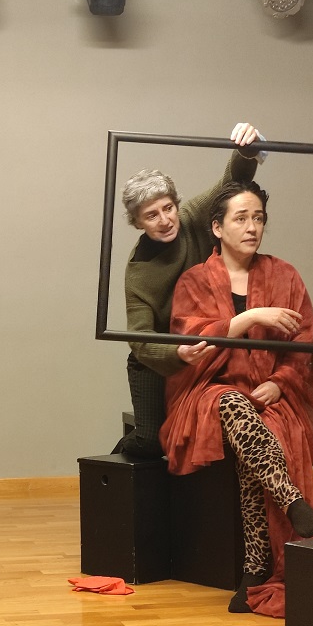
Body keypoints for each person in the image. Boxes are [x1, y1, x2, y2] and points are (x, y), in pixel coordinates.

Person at [161, 180, 313, 616]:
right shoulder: (195, 280)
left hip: (270, 390)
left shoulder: (285, 275)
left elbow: (303, 344)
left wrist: (281, 382)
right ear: (217, 228)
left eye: (259, 218)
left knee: (256, 436)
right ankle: (292, 502)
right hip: (208, 389)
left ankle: (255, 568)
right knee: (234, 406)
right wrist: (251, 316)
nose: (252, 227)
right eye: (241, 218)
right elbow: (193, 343)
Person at [113, 123, 263, 459]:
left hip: (208, 346)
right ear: (138, 223)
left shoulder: (193, 217)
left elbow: (231, 183)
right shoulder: (138, 271)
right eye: (151, 215)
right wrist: (176, 353)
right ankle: (112, 467)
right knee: (152, 442)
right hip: (158, 360)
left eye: (168, 208)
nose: (165, 220)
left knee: (211, 433)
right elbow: (140, 339)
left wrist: (246, 149)